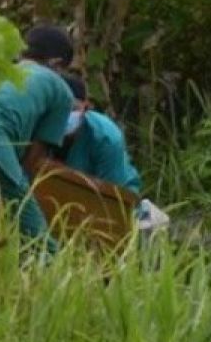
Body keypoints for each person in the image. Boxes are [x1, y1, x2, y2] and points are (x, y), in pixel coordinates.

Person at [0, 25, 74, 250]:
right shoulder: (60, 89)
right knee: (39, 243)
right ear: (57, 64)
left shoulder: (0, 71)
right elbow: (33, 160)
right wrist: (24, 196)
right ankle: (62, 279)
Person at [58, 74, 169, 236]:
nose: (63, 115)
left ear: (85, 107)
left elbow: (111, 198)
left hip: (109, 196)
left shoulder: (105, 136)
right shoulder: (38, 128)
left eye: (72, 108)